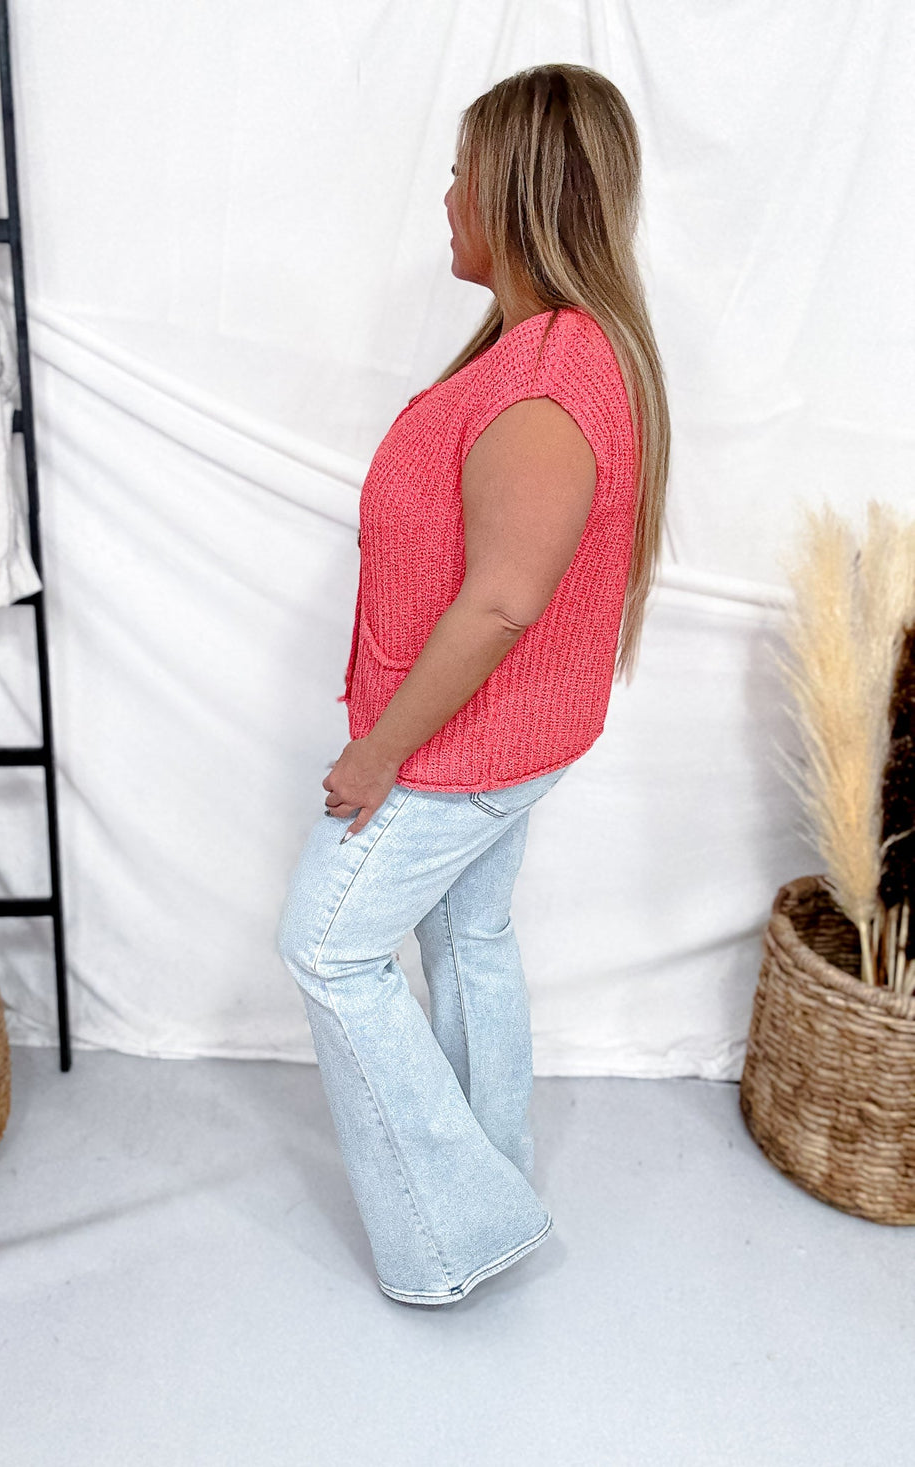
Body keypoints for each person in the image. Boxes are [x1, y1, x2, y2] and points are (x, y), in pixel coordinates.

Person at [277, 63, 670, 1306]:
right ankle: (493, 1180)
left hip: (459, 753)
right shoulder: (540, 351)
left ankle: (456, 1232)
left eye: (460, 173)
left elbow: (500, 601)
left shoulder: (548, 377)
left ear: (512, 190)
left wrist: (375, 754)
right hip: (507, 742)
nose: (444, 197)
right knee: (471, 936)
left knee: (324, 948)